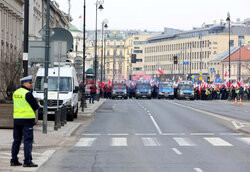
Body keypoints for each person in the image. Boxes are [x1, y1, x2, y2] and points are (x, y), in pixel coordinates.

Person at [11, 75, 39, 167]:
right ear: (24, 83)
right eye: (30, 83)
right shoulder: (27, 93)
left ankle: (14, 160)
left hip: (17, 120)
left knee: (16, 140)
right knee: (28, 140)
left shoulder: (15, 93)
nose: (31, 84)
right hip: (27, 120)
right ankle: (27, 161)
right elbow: (35, 106)